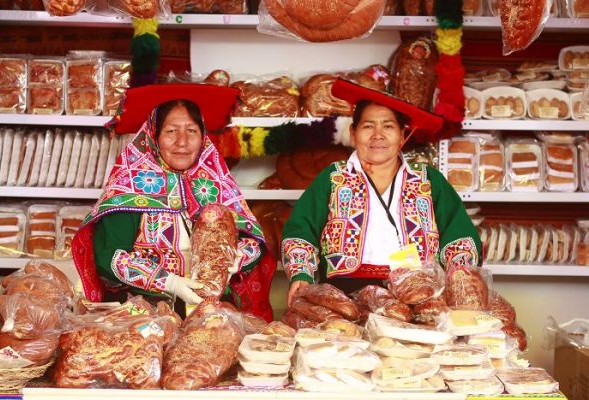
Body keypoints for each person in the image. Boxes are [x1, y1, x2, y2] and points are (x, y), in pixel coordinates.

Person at [72, 84, 275, 320]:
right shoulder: (131, 186)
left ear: (203, 137)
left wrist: (239, 257)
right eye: (171, 131)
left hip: (213, 312)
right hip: (146, 314)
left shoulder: (216, 185)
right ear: (154, 136)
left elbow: (254, 242)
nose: (182, 142)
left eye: (191, 131)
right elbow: (109, 256)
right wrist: (170, 282)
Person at [281, 78, 482, 305]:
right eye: (368, 126)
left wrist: (461, 274)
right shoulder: (333, 178)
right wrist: (301, 274)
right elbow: (301, 229)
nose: (378, 135)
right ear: (353, 132)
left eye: (388, 126)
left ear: (402, 135)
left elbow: (458, 234)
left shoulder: (428, 180)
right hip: (343, 295)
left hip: (418, 293)